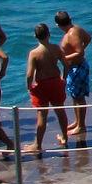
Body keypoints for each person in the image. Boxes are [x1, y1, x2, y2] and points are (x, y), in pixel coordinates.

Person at [26, 23, 68, 153]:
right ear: (49, 34)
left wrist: (29, 87)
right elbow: (66, 65)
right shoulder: (56, 48)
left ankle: (37, 144)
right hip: (55, 82)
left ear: (35, 36)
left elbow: (29, 74)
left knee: (42, 116)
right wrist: (63, 78)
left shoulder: (34, 53)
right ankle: (65, 137)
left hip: (42, 85)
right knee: (60, 111)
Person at [56, 10, 92, 144]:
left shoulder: (71, 34)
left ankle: (81, 126)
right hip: (75, 67)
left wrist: (63, 57)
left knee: (79, 97)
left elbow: (80, 52)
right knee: (75, 96)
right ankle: (78, 121)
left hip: (77, 68)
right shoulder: (77, 28)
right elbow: (88, 38)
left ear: (58, 25)